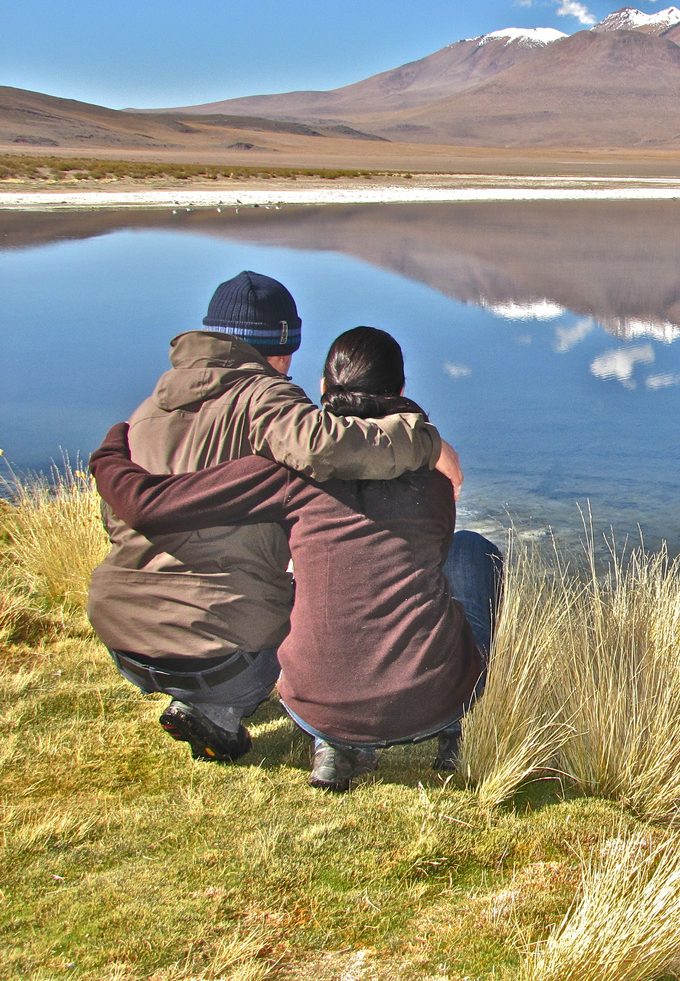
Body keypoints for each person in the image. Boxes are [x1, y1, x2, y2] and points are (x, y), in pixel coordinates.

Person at [90, 326, 503, 791]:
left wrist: (111, 450)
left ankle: (334, 745)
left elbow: (156, 504)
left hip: (316, 706)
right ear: (401, 392)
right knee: (472, 553)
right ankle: (455, 729)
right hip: (432, 699)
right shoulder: (433, 477)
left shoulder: (289, 473)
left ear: (324, 391)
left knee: (308, 571)